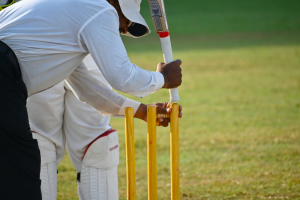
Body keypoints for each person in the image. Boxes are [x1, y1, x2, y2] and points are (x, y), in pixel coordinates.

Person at [0, 0, 182, 199]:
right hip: (4, 70)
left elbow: (90, 92)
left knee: (17, 163)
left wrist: (141, 111)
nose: (122, 29)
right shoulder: (99, 8)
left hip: (7, 75)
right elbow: (123, 77)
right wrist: (163, 78)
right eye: (126, 20)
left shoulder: (70, 19)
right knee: (21, 165)